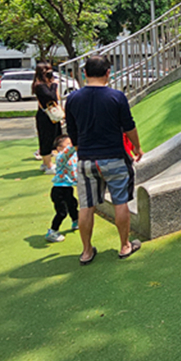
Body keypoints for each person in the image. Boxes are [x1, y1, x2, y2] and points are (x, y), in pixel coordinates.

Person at [64, 54, 143, 264]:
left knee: (86, 205)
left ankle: (87, 251)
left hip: (86, 160)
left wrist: (83, 149)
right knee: (120, 201)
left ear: (84, 73)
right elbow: (129, 126)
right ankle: (125, 246)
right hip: (114, 157)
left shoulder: (72, 99)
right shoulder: (116, 97)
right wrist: (137, 147)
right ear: (108, 73)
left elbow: (72, 131)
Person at [46, 134, 79, 243]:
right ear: (59, 148)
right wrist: (75, 142)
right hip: (59, 190)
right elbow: (68, 152)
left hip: (68, 188)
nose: (71, 146)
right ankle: (52, 231)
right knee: (62, 212)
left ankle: (76, 221)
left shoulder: (74, 156)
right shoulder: (61, 157)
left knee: (73, 205)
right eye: (68, 144)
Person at [32, 62, 61, 174]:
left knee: (52, 138)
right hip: (45, 116)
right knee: (46, 140)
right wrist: (54, 85)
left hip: (49, 115)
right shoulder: (39, 86)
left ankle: (45, 163)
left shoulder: (43, 84)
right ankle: (48, 165)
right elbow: (51, 97)